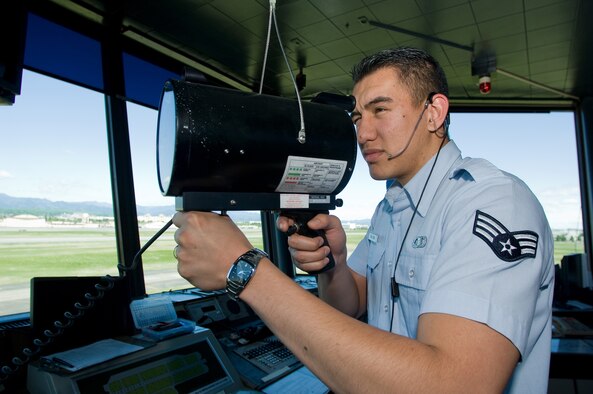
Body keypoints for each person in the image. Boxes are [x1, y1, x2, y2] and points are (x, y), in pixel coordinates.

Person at [173, 47, 554, 393]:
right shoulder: (391, 209)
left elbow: (454, 384)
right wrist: (331, 264)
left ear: (434, 113)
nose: (362, 133)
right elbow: (348, 305)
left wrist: (246, 270)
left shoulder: (491, 203)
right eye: (357, 116)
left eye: (380, 110)